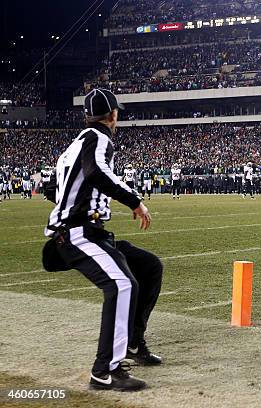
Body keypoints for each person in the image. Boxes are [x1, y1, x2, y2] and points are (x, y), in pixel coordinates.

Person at [43, 89, 163, 392]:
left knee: (148, 267)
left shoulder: (74, 145)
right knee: (122, 284)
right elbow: (96, 172)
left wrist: (72, 204)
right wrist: (134, 201)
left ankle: (134, 342)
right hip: (79, 233)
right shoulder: (99, 138)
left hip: (89, 232)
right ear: (112, 115)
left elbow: (51, 188)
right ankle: (105, 370)